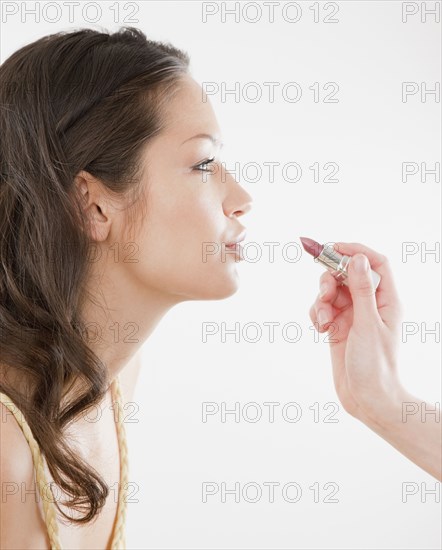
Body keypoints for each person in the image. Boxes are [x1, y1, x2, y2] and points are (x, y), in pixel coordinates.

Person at [0, 26, 440, 550]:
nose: (242, 198)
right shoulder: (6, 448)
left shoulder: (111, 386)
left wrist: (384, 400)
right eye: (204, 163)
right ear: (92, 205)